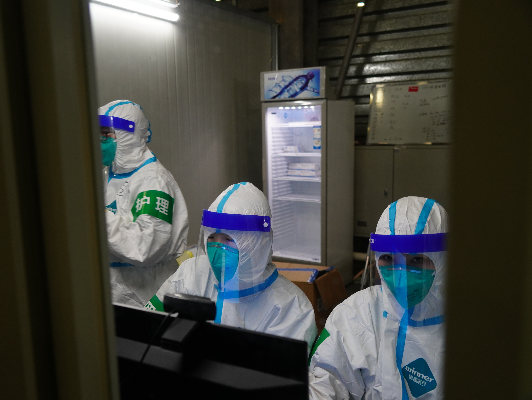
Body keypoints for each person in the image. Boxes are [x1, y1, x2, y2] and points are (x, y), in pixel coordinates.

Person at [146, 182, 317, 349]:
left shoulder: (290, 308)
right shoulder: (191, 274)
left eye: (228, 240)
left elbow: (281, 367)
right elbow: (149, 325)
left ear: (258, 243)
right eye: (212, 238)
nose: (218, 251)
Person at [309, 196, 448, 399]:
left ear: (444, 259)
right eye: (388, 258)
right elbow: (324, 382)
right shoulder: (355, 314)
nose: (400, 279)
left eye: (417, 260)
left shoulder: (473, 329)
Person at [99, 100, 189, 308]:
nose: (99, 141)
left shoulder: (153, 181)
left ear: (127, 136)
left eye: (105, 135)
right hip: (116, 290)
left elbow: (146, 247)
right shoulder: (108, 174)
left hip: (144, 291)